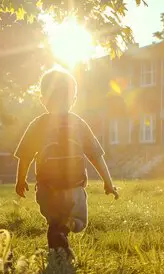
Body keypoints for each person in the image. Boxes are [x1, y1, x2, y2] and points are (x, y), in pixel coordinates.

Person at [14, 68, 119, 260]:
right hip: (74, 187)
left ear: (43, 99)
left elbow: (25, 155)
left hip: (46, 188)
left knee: (53, 220)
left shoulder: (38, 124)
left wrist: (20, 180)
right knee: (77, 221)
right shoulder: (79, 124)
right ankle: (62, 233)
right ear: (73, 99)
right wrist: (108, 183)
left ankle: (59, 246)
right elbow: (96, 156)